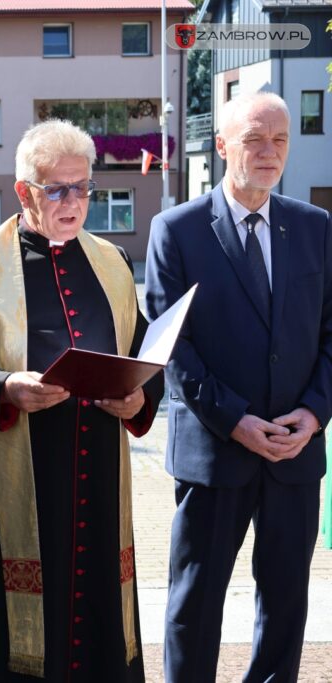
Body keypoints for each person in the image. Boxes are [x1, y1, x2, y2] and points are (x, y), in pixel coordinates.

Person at [0, 120, 162, 682]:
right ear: (24, 192)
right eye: (58, 189)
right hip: (20, 480)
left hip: (100, 476)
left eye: (83, 188)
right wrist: (5, 387)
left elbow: (146, 350)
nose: (74, 201)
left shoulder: (113, 263)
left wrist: (140, 397)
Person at [145, 91, 332, 682]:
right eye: (255, 139)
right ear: (222, 145)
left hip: (294, 453)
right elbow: (173, 346)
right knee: (195, 605)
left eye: (280, 140)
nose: (269, 152)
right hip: (216, 452)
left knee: (285, 606)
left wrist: (316, 412)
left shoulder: (315, 228)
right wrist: (236, 421)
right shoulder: (176, 230)